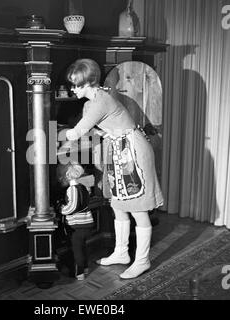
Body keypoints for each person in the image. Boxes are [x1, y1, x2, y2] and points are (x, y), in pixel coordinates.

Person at [63, 58, 164, 279]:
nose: (72, 89)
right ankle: (121, 252)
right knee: (118, 205)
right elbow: (100, 126)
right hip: (120, 151)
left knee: (138, 208)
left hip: (133, 152)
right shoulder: (90, 103)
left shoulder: (100, 101)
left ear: (89, 82)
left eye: (76, 84)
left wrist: (60, 137)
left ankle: (143, 260)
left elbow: (78, 130)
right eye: (71, 84)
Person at [56, 161, 94, 280]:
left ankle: (79, 273)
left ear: (67, 175)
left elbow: (73, 207)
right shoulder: (84, 187)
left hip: (77, 225)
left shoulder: (72, 189)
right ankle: (86, 267)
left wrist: (62, 209)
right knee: (83, 247)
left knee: (77, 250)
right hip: (87, 223)